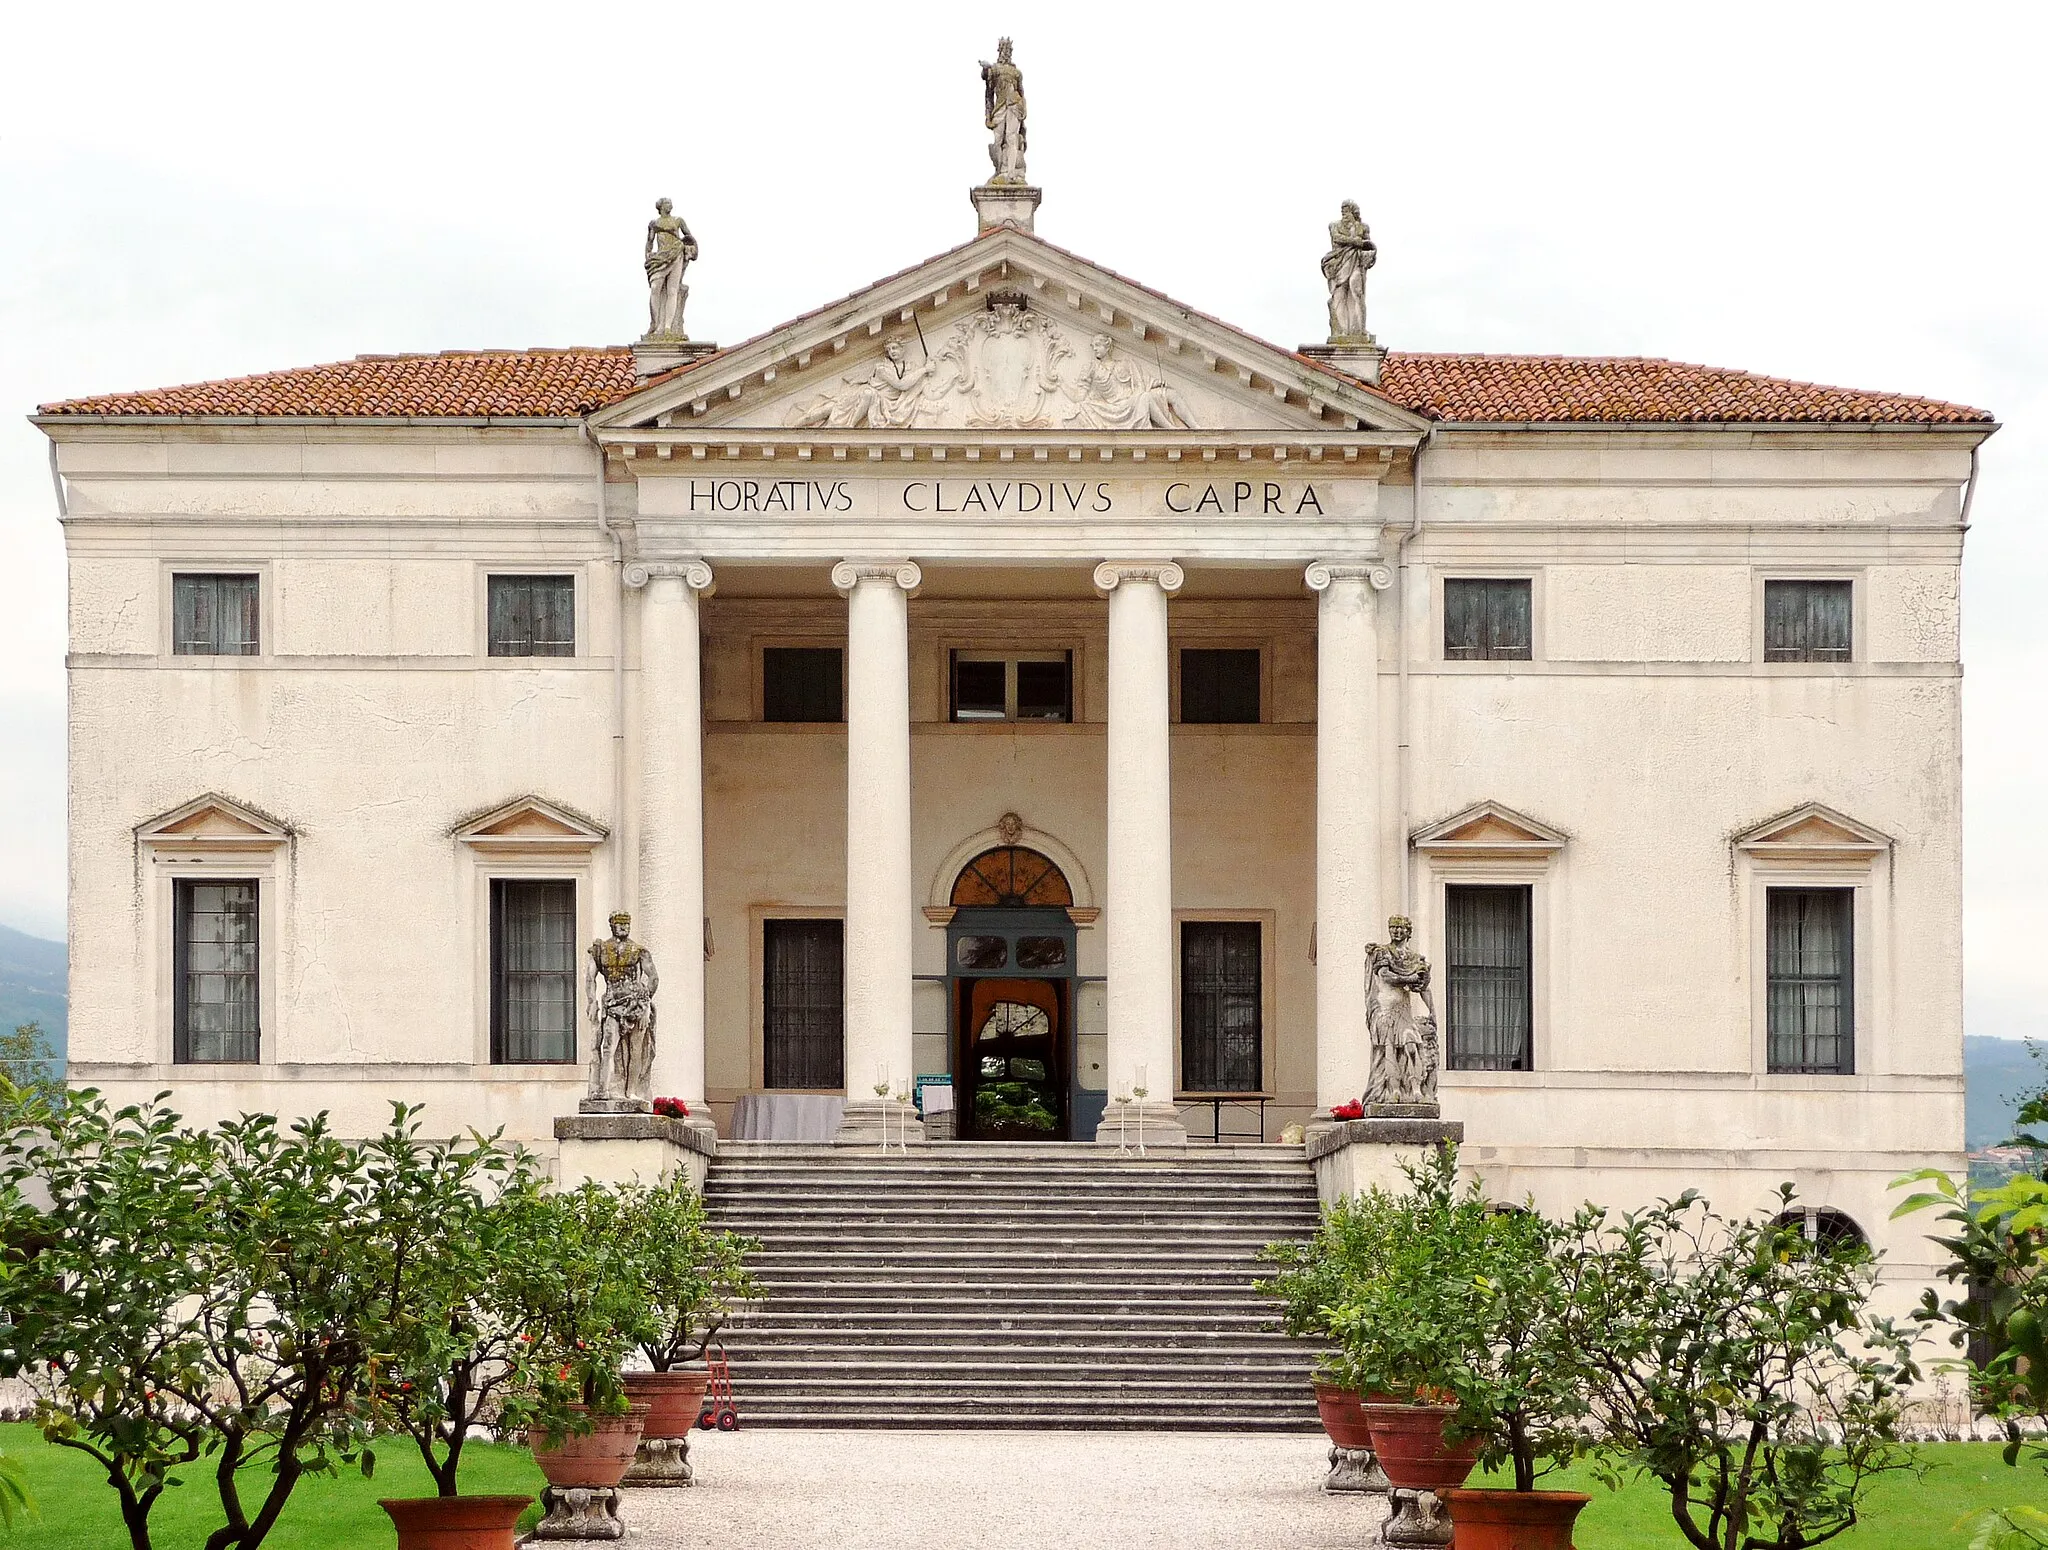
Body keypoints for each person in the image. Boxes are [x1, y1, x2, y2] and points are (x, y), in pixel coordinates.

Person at [1363, 914, 1437, 1109]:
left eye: (1400, 927)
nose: (1396, 931)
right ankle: (1393, 1090)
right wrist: (1410, 978)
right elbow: (1385, 976)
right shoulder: (1383, 953)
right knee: (1389, 1047)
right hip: (1385, 1009)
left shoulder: (1415, 959)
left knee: (1411, 1045)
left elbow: (1423, 988)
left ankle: (1415, 1088)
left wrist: (1432, 1012)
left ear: (1408, 931)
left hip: (1403, 1009)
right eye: (1393, 927)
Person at [588, 910, 658, 1103]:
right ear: (612, 925)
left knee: (636, 1051)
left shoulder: (638, 950)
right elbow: (590, 977)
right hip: (612, 1004)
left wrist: (645, 1005)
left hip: (636, 1004)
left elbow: (653, 978)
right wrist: (591, 1001)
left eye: (627, 924)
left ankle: (632, 1091)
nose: (624, 927)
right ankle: (603, 1089)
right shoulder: (600, 949)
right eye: (620, 923)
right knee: (608, 1047)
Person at [1321, 200, 1377, 342]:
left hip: (1356, 262)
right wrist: (1356, 242)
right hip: (1339, 262)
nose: (1344, 213)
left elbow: (1368, 246)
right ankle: (1342, 331)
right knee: (1339, 296)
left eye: (1346, 211)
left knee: (1357, 291)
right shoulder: (1334, 226)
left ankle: (1359, 329)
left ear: (1353, 212)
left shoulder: (1363, 228)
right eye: (1342, 211)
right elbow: (1337, 238)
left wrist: (1370, 251)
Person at [643, 198, 698, 340]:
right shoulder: (654, 224)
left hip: (676, 254)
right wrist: (648, 255)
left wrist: (689, 248)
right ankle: (656, 324)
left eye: (670, 203)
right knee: (655, 287)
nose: (670, 205)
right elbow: (649, 242)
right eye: (667, 203)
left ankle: (668, 327)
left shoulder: (678, 221)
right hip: (660, 258)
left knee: (672, 290)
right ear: (661, 207)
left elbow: (689, 236)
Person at [980, 39, 1028, 185]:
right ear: (1000, 51)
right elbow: (988, 91)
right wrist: (985, 69)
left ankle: (1011, 173)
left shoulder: (1016, 73)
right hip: (999, 108)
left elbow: (1021, 91)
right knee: (998, 140)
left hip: (1014, 105)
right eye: (1003, 49)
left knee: (1012, 138)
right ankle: (1001, 170)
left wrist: (1022, 109)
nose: (1005, 53)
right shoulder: (994, 70)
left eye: (1008, 50)